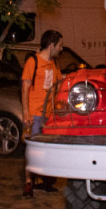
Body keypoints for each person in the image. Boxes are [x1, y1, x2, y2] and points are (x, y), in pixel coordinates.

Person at [20, 29, 63, 197]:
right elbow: (25, 88)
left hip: (50, 116)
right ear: (51, 45)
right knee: (32, 150)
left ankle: (45, 181)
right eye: (59, 45)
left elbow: (59, 83)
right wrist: (26, 113)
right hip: (35, 114)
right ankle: (28, 182)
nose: (61, 48)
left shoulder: (54, 63)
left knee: (47, 149)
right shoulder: (33, 61)